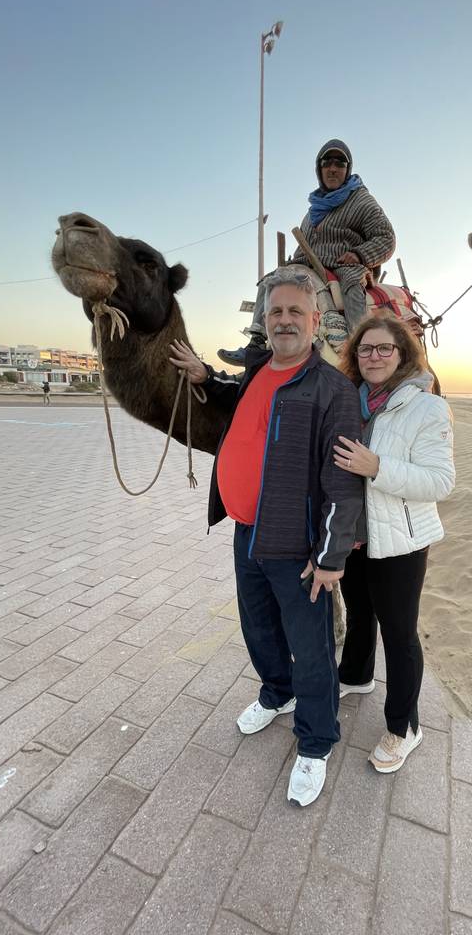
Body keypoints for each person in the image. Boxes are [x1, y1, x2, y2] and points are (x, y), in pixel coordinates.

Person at [169, 266, 363, 807]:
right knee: (256, 625)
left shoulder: (332, 389)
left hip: (299, 547)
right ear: (265, 320)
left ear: (315, 320)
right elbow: (238, 398)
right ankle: (276, 692)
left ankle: (317, 740)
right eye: (275, 312)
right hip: (246, 530)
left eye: (294, 312)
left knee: (313, 645)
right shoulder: (258, 371)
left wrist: (329, 558)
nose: (283, 321)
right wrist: (206, 376)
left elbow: (343, 485)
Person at [332, 313, 455, 773]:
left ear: (402, 354)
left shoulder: (427, 407)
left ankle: (406, 726)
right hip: (357, 537)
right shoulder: (348, 401)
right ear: (355, 355)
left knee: (400, 635)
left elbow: (441, 481)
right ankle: (357, 676)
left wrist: (377, 466)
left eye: (385, 348)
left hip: (401, 542)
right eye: (366, 349)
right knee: (361, 613)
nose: (375, 356)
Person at [219, 139, 396, 366]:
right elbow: (307, 244)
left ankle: (359, 348)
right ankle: (256, 343)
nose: (333, 168)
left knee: (352, 285)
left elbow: (386, 238)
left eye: (340, 163)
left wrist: (360, 255)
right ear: (319, 169)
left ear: (347, 168)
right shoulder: (314, 209)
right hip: (308, 265)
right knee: (271, 280)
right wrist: (290, 264)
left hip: (344, 265)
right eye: (327, 163)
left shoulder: (361, 200)